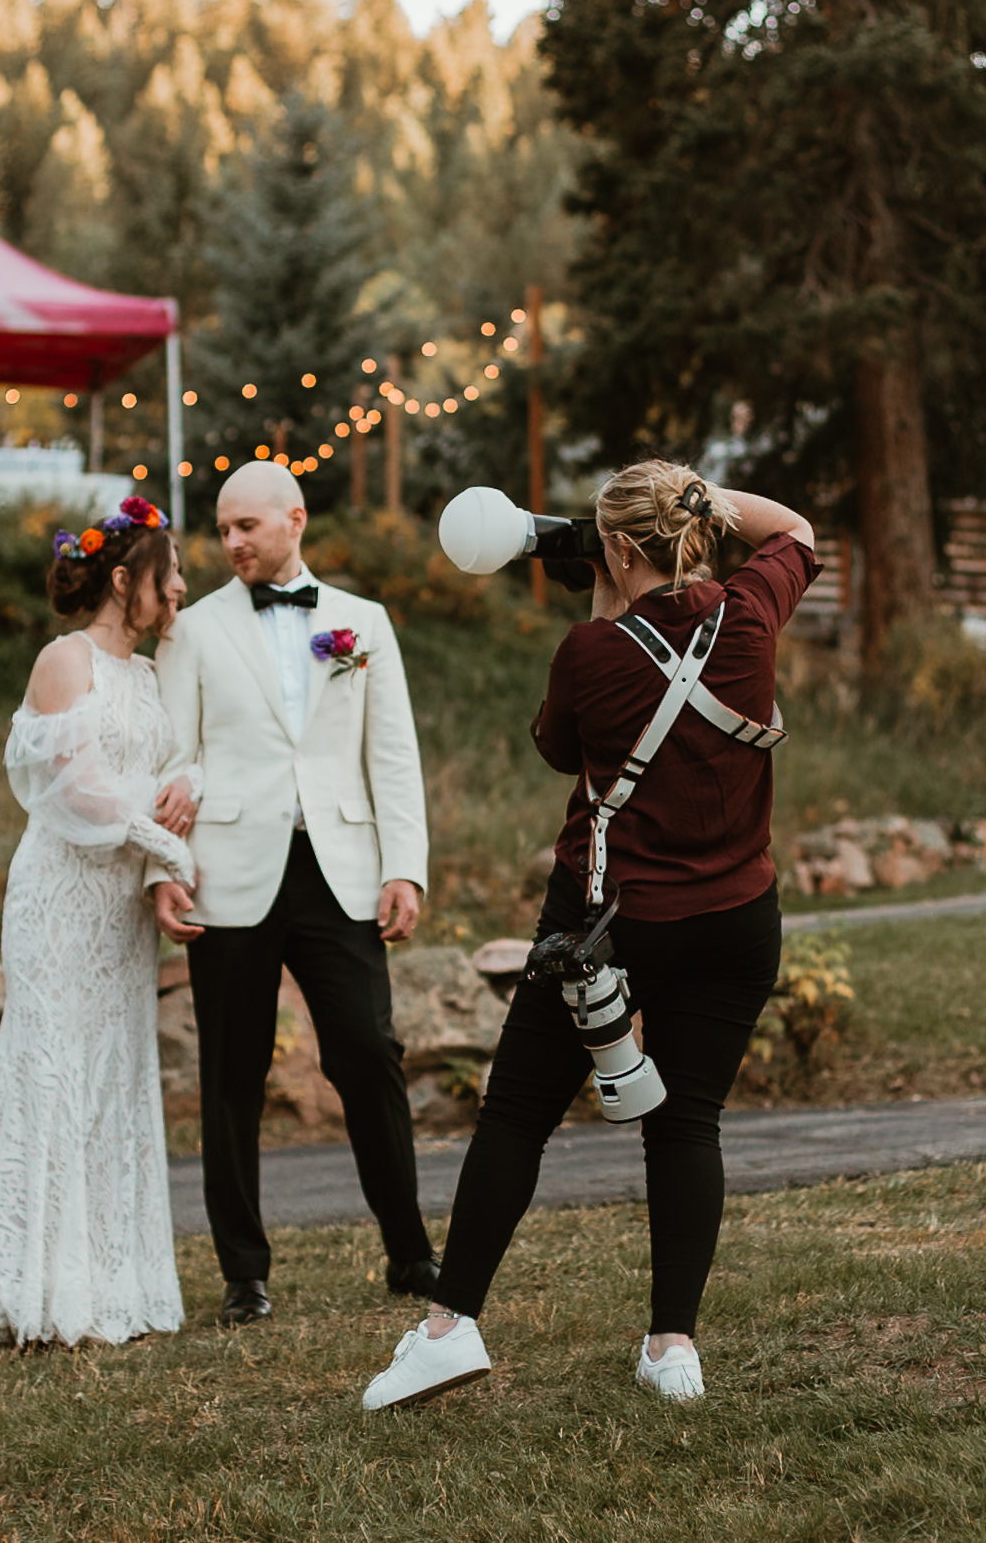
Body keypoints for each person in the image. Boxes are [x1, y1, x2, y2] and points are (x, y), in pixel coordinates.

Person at [361, 461, 817, 1408]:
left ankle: (449, 1329)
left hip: (609, 924)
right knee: (688, 1123)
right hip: (738, 919)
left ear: (612, 548)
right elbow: (798, 530)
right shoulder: (751, 611)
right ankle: (671, 1348)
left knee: (518, 1115)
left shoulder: (590, 652)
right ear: (697, 527)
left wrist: (606, 593)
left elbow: (560, 749)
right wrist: (702, 502)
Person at [147, 460, 439, 1327]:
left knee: (368, 1054)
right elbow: (169, 762)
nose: (231, 542)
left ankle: (411, 1251)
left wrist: (404, 865)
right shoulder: (192, 631)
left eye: (247, 526)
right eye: (223, 529)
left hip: (339, 871)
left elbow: (393, 756)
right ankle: (244, 1272)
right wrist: (165, 869)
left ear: (294, 519)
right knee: (231, 1075)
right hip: (228, 874)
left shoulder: (363, 623)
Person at [0, 494, 198, 1347]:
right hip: (60, 899)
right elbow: (75, 791)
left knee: (114, 1075)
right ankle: (38, 1292)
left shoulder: (150, 672)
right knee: (54, 1071)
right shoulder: (67, 661)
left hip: (120, 909)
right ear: (125, 578)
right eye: (171, 577)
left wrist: (186, 794)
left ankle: (114, 1284)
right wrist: (165, 839)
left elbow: (169, 764)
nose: (182, 592)